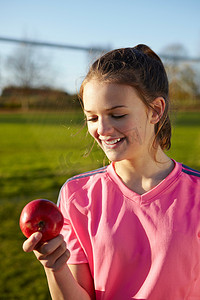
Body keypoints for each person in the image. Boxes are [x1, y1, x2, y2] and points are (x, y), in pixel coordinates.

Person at [23, 44, 200, 300]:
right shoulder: (77, 196)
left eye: (117, 115)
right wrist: (54, 267)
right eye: (92, 118)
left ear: (156, 110)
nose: (102, 130)